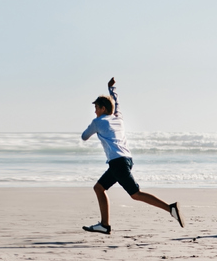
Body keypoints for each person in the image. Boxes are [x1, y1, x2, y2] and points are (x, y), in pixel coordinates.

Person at [79, 77, 184, 234]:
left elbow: (84, 136)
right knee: (99, 188)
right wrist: (111, 89)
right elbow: (116, 102)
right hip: (126, 160)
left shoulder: (98, 121)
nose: (94, 111)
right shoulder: (118, 118)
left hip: (117, 163)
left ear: (101, 108)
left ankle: (170, 208)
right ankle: (104, 225)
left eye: (96, 108)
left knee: (135, 194)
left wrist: (95, 123)